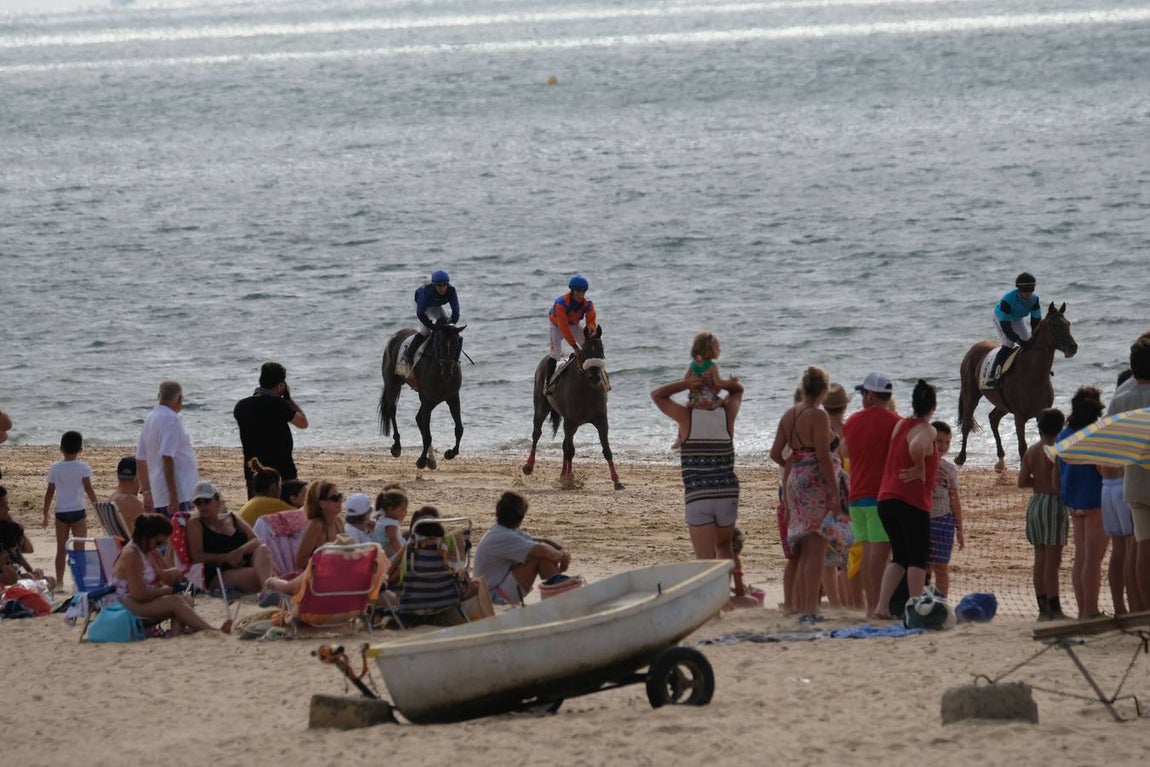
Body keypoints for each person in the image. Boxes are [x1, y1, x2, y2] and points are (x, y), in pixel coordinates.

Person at [651, 372, 753, 607]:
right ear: (715, 392)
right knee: (724, 546)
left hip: (699, 494)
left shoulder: (687, 417)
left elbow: (657, 395)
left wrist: (684, 383)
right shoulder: (727, 414)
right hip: (727, 491)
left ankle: (713, 607)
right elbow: (738, 391)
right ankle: (723, 598)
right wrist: (723, 383)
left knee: (704, 558)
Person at [770, 366, 843, 623]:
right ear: (823, 390)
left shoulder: (790, 414)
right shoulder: (818, 416)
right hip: (815, 482)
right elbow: (823, 455)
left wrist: (792, 462)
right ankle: (811, 609)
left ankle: (802, 606)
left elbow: (775, 453)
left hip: (794, 481)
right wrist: (835, 492)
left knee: (802, 548)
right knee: (816, 548)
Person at [875, 380, 940, 620]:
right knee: (917, 558)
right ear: (933, 406)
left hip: (887, 499)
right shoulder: (927, 429)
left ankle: (882, 607)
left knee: (899, 557)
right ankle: (915, 609)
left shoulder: (900, 424)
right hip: (911, 501)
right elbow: (917, 446)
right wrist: (920, 468)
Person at [842, 371, 901, 619]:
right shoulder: (896, 422)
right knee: (880, 555)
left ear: (870, 395)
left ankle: (871, 607)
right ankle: (878, 607)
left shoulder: (853, 421)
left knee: (866, 553)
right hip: (881, 496)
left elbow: (845, 451)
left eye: (863, 393)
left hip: (856, 497)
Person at [110, 513, 229, 635]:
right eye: (158, 542)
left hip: (142, 601)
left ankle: (175, 635)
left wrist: (181, 572)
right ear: (147, 536)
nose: (159, 546)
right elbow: (138, 595)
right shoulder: (132, 555)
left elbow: (160, 575)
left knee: (186, 599)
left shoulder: (146, 550)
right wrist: (164, 591)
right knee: (176, 602)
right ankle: (212, 631)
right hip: (128, 605)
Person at [1056, 386, 1108, 620]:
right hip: (1095, 500)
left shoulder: (1064, 435)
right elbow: (1102, 469)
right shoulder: (1098, 435)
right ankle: (1091, 610)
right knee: (1093, 560)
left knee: (1081, 558)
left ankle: (1082, 609)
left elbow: (1059, 469)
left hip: (1073, 500)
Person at [474, 491, 571, 604]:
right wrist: (563, 555)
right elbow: (542, 550)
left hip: (495, 589)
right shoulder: (503, 536)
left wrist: (563, 550)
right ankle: (560, 598)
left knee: (543, 553)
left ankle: (558, 593)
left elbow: (542, 542)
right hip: (492, 597)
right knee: (540, 556)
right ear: (520, 518)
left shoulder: (504, 531)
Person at [1110, 334, 1150, 609]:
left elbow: (1109, 444)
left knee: (1142, 547)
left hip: (1134, 481)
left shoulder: (1121, 397)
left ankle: (1143, 609)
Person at [1020, 408, 1069, 620]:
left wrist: (1039, 482)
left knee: (1039, 558)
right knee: (1052, 561)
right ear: (1062, 427)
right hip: (1053, 505)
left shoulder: (1032, 450)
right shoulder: (1059, 450)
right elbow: (1059, 485)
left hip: (1036, 503)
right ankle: (1055, 607)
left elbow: (1021, 482)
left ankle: (1042, 608)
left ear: (1039, 427)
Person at [233, 362, 308, 498]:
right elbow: (303, 422)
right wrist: (288, 399)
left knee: (258, 513)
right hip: (282, 471)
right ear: (280, 385)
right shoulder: (278, 405)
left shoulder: (241, 406)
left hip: (254, 471)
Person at [186, 481, 273, 595]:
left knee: (263, 549)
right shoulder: (195, 523)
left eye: (206, 501)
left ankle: (267, 591)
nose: (203, 506)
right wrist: (226, 558)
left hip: (243, 560)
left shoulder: (233, 517)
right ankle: (268, 589)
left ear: (217, 500)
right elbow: (196, 556)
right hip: (218, 570)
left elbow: (256, 540)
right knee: (256, 574)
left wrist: (240, 551)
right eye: (198, 503)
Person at [1100, 369, 1140, 614]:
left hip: (1106, 488)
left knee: (1118, 550)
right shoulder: (1132, 418)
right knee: (1134, 548)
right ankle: (1137, 605)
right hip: (1125, 486)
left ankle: (1119, 607)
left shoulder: (1110, 419)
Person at [263, 480, 347, 597]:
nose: (339, 501)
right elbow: (300, 561)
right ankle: (273, 585)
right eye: (335, 498)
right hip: (313, 573)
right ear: (322, 503)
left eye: (340, 496)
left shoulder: (338, 522)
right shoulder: (315, 526)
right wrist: (324, 560)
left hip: (331, 573)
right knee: (290, 587)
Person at [42, 430, 99, 588]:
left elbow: (49, 493)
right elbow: (88, 489)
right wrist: (97, 506)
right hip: (78, 511)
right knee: (79, 549)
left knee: (61, 549)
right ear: (80, 449)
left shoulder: (55, 468)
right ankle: (79, 582)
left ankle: (59, 582)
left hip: (61, 512)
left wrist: (45, 513)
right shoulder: (83, 467)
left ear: (61, 448)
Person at [136, 380, 198, 516]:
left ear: (159, 396)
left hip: (158, 491)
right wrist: (173, 495)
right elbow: (167, 456)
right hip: (179, 491)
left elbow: (140, 458)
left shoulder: (150, 418)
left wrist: (147, 491)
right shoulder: (172, 419)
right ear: (180, 398)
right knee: (180, 534)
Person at [927, 422, 964, 597]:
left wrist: (960, 529)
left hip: (943, 521)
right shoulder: (918, 465)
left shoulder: (949, 469)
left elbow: (955, 500)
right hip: (922, 520)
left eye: (947, 442)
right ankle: (921, 604)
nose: (943, 446)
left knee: (941, 568)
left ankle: (941, 604)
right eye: (938, 441)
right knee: (923, 568)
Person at [986, 272, 1041, 388]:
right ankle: (992, 375)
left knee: (1029, 342)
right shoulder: (1007, 300)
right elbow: (1006, 327)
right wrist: (1018, 340)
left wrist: (1035, 337)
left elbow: (1036, 321)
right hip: (1001, 318)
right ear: (1019, 289)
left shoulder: (1034, 300)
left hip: (1017, 318)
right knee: (1008, 344)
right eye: (1026, 290)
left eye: (1031, 289)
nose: (1029, 293)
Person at [546, 274, 597, 387]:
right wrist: (575, 347)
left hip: (573, 324)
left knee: (589, 347)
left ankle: (597, 377)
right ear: (572, 291)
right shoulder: (561, 304)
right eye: (578, 291)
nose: (581, 295)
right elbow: (563, 328)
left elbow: (591, 322)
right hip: (557, 325)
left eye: (584, 291)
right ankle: (548, 385)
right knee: (556, 354)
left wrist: (591, 334)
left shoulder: (588, 304)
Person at [402, 269, 460, 367]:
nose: (442, 288)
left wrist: (452, 323)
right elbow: (420, 313)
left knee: (450, 328)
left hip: (436, 305)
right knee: (425, 331)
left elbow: (456, 310)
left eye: (445, 285)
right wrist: (432, 326)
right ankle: (408, 354)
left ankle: (453, 356)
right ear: (434, 285)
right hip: (422, 306)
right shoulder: (426, 292)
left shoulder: (451, 290)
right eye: (439, 285)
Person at [236, 459, 293, 525]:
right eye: (280, 485)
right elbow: (302, 516)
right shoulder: (272, 503)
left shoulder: (253, 501)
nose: (280, 489)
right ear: (274, 486)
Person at [109, 456, 146, 535]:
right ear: (137, 476)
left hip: (121, 545)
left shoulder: (114, 497)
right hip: (134, 546)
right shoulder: (129, 501)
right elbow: (156, 527)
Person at [370, 488, 409, 562]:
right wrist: (403, 555)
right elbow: (393, 540)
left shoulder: (381, 518)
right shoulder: (390, 524)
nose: (405, 512)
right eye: (403, 509)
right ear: (390, 509)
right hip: (388, 557)